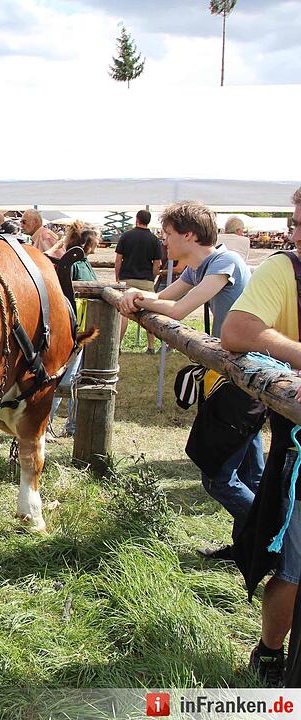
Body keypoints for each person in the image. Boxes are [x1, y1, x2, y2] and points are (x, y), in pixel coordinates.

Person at [119, 200, 257, 549]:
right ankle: (252, 547)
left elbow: (179, 309)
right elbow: (163, 297)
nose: (163, 241)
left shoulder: (225, 262)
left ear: (189, 235)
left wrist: (137, 297)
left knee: (219, 478)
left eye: (167, 234)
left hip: (249, 375)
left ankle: (271, 534)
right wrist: (141, 296)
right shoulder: (201, 267)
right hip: (236, 374)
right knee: (250, 474)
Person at [220, 186, 301, 688]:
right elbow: (238, 330)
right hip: (299, 443)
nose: (296, 227)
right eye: (297, 217)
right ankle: (270, 653)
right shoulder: (284, 269)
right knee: (294, 563)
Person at [48, 223, 100, 438]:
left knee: (75, 377)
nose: (99, 241)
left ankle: (71, 425)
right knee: (66, 378)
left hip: (82, 325)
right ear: (89, 241)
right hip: (75, 326)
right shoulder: (75, 264)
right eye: (97, 238)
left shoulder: (83, 262)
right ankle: (47, 423)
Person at [115, 209, 162, 352]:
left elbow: (118, 260)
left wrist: (118, 276)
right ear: (149, 221)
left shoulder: (126, 236)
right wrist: (152, 278)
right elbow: (157, 264)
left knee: (124, 313)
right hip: (146, 280)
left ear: (137, 219)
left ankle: (118, 345)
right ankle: (151, 346)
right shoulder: (154, 239)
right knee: (151, 313)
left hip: (127, 278)